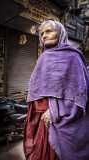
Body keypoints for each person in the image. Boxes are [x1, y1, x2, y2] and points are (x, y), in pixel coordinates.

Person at [23, 20, 89, 160]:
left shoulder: (74, 57)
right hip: (42, 122)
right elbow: (37, 89)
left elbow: (80, 93)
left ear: (60, 33)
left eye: (49, 31)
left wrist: (55, 110)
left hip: (59, 120)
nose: (44, 36)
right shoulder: (44, 58)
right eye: (41, 33)